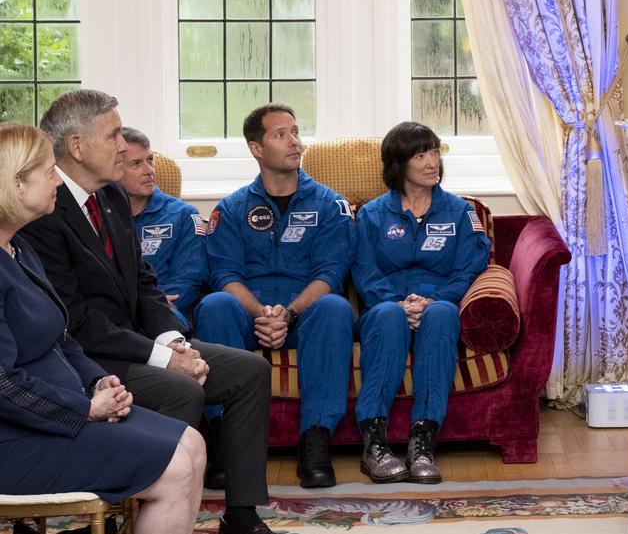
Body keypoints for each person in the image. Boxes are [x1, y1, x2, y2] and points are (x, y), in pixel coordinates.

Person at [19, 90, 281, 534]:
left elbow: (143, 282)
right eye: (114, 134)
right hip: (92, 359)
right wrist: (164, 358)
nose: (124, 145)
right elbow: (73, 320)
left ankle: (241, 519)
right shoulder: (43, 210)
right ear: (78, 146)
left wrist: (174, 340)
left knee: (249, 371)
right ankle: (139, 522)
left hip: (140, 342)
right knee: (180, 388)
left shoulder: (113, 197)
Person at [0, 122, 205, 534]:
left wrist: (96, 379)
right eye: (47, 172)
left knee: (192, 443)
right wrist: (83, 408)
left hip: (60, 413)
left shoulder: (20, 248)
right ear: (15, 185)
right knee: (176, 468)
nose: (57, 180)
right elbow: (2, 385)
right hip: (17, 439)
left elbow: (61, 336)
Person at [198, 103, 355, 488]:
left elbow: (331, 274)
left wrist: (290, 313)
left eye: (296, 132)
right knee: (214, 305)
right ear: (256, 148)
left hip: (305, 315)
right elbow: (224, 274)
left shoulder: (329, 205)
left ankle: (315, 442)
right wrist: (261, 314)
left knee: (335, 308)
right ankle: (221, 441)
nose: (295, 141)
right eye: (280, 134)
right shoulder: (232, 209)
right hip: (250, 313)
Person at [352, 122, 490, 483]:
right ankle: (375, 442)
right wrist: (397, 304)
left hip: (438, 302)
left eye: (434, 152)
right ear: (399, 164)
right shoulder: (371, 215)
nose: (432, 162)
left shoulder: (460, 212)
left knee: (443, 316)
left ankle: (423, 441)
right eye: (420, 155)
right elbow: (364, 271)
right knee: (386, 317)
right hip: (386, 306)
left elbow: (470, 267)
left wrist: (433, 300)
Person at [118, 127, 209, 327]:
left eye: (150, 160)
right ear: (114, 169)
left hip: (168, 314)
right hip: (115, 316)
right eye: (136, 164)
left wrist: (151, 305)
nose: (149, 170)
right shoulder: (100, 214)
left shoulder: (184, 215)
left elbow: (187, 282)